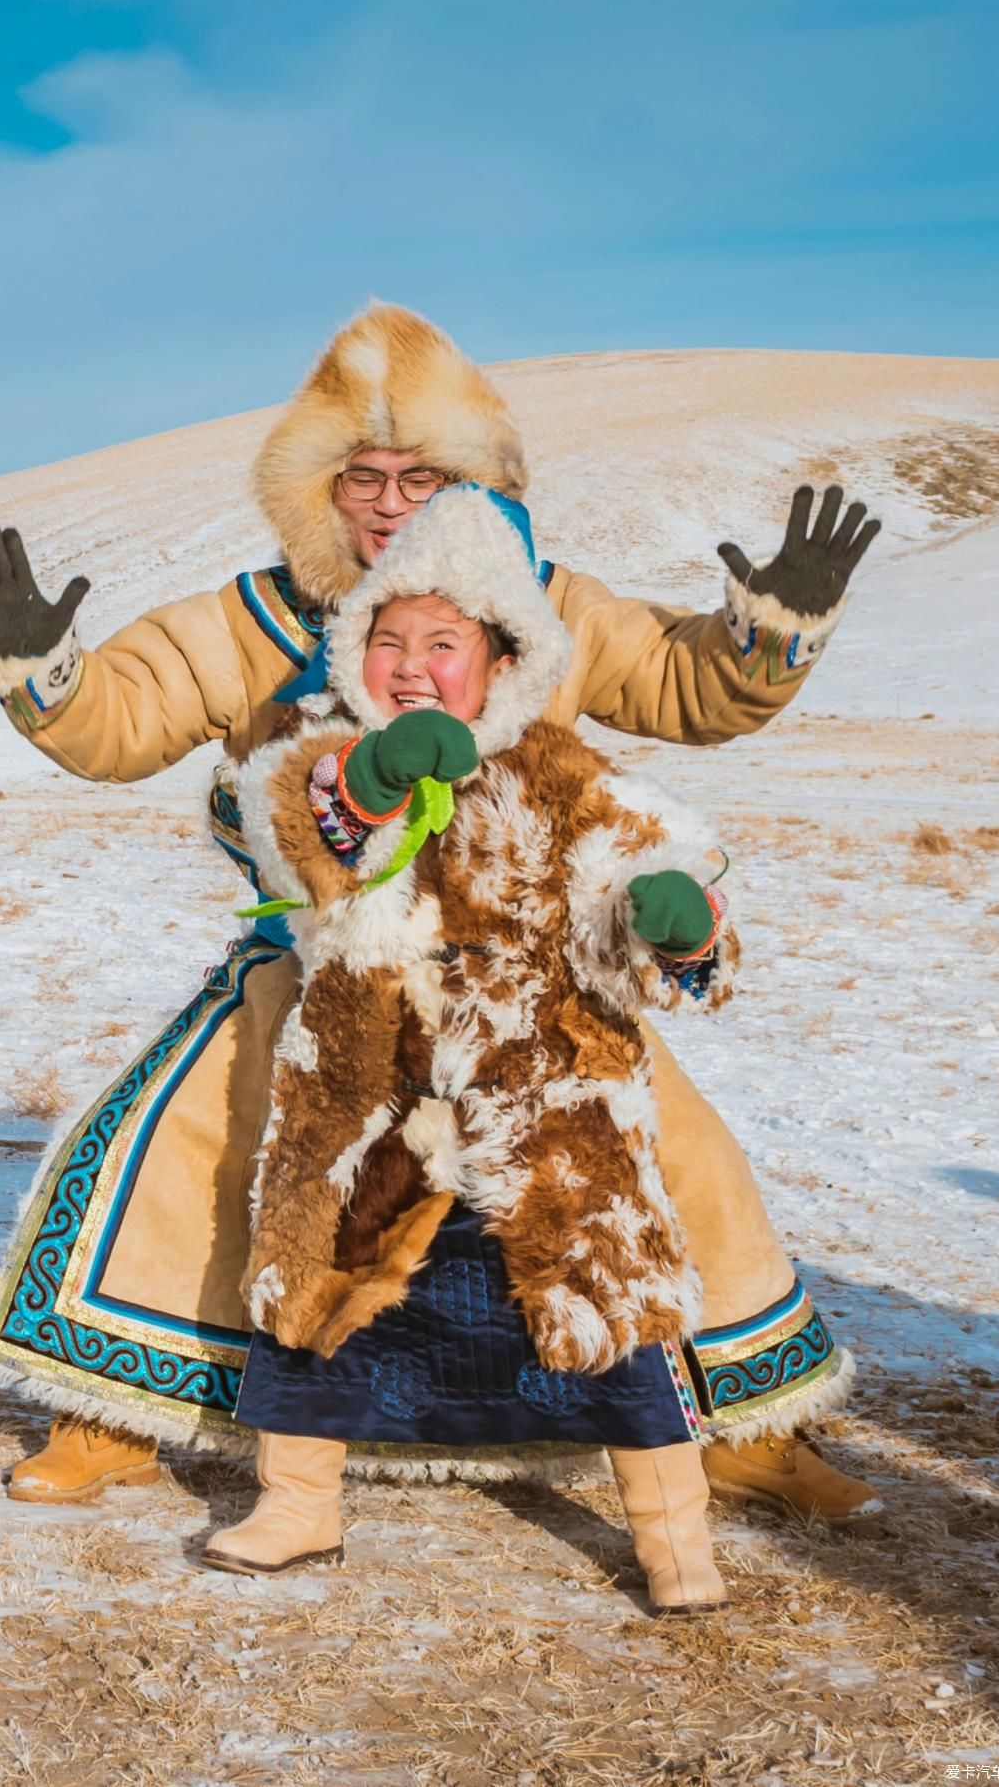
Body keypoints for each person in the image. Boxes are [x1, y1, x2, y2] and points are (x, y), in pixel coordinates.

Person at [0, 302, 882, 1522]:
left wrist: (766, 633)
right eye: (362, 479)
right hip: (324, 954)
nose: (388, 503)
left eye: (420, 476)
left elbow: (682, 683)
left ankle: (742, 1431)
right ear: (319, 497)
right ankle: (110, 1414)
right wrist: (48, 671)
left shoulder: (542, 608)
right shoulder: (251, 617)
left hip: (524, 972)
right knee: (178, 1142)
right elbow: (123, 716)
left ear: (477, 484)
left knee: (682, 1159)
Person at [202, 486, 737, 1609]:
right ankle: (297, 1506)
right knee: (319, 1297)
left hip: (545, 1101)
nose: (408, 663)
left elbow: (632, 871)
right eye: (385, 639)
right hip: (368, 1093)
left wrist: (669, 916)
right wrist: (378, 776)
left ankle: (675, 1538)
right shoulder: (319, 752)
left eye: (439, 643)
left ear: (500, 658)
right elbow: (301, 839)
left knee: (609, 1303)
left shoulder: (564, 777)